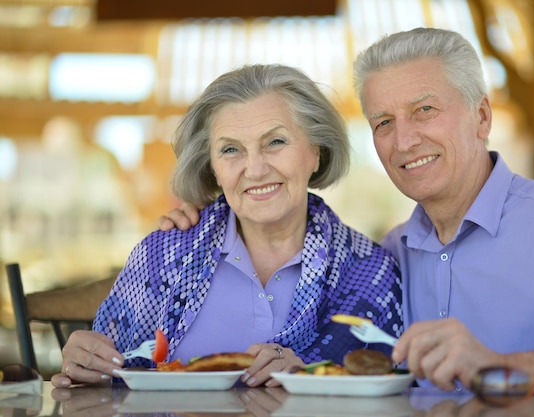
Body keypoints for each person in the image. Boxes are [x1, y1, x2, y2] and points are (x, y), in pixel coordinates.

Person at [159, 28, 534, 394]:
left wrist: (503, 368)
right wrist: (208, 219)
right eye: (384, 122)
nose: (404, 140)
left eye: (424, 110)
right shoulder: (387, 258)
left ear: (481, 116)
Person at [51, 64, 403, 389]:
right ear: (213, 169)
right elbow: (109, 379)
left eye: (275, 142)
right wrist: (88, 363)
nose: (255, 168)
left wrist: (307, 375)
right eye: (231, 150)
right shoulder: (161, 255)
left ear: (316, 150)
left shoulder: (371, 270)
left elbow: (379, 387)